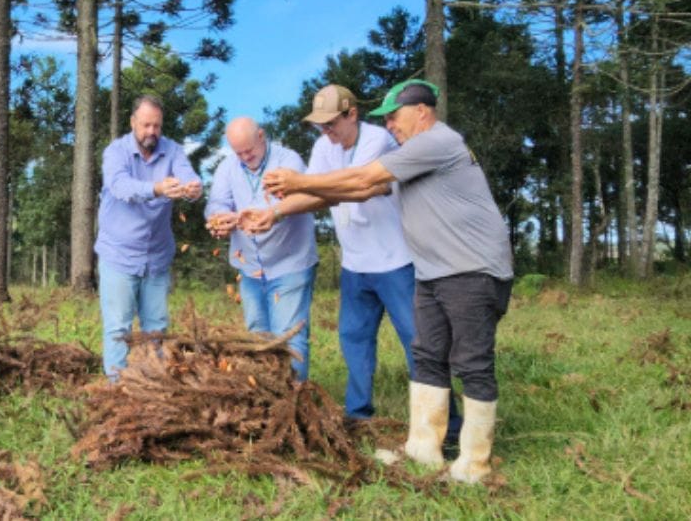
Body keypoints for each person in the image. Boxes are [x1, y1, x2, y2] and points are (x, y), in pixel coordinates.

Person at [262, 79, 512, 485]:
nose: (391, 125)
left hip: (472, 268)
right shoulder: (411, 152)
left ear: (422, 112)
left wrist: (299, 181)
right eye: (387, 119)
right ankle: (423, 447)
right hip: (433, 270)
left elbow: (361, 181)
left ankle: (473, 463)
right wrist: (279, 209)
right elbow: (366, 190)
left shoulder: (437, 141)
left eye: (395, 116)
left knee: (472, 363)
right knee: (428, 355)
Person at [95, 95, 202, 380]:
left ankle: (154, 384)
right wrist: (156, 188)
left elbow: (189, 176)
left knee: (157, 327)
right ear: (133, 123)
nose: (151, 132)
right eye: (145, 125)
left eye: (156, 126)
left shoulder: (174, 151)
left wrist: (193, 188)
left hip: (156, 258)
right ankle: (116, 387)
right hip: (119, 255)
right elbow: (120, 186)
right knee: (118, 328)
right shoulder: (115, 152)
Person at [205, 117, 318, 380]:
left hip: (290, 263)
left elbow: (300, 198)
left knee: (289, 338)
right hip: (250, 269)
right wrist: (219, 218)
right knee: (257, 337)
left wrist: (267, 214)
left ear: (261, 136)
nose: (245, 157)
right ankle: (268, 399)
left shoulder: (288, 160)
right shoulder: (227, 167)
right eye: (238, 152)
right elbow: (216, 202)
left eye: (250, 150)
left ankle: (294, 402)